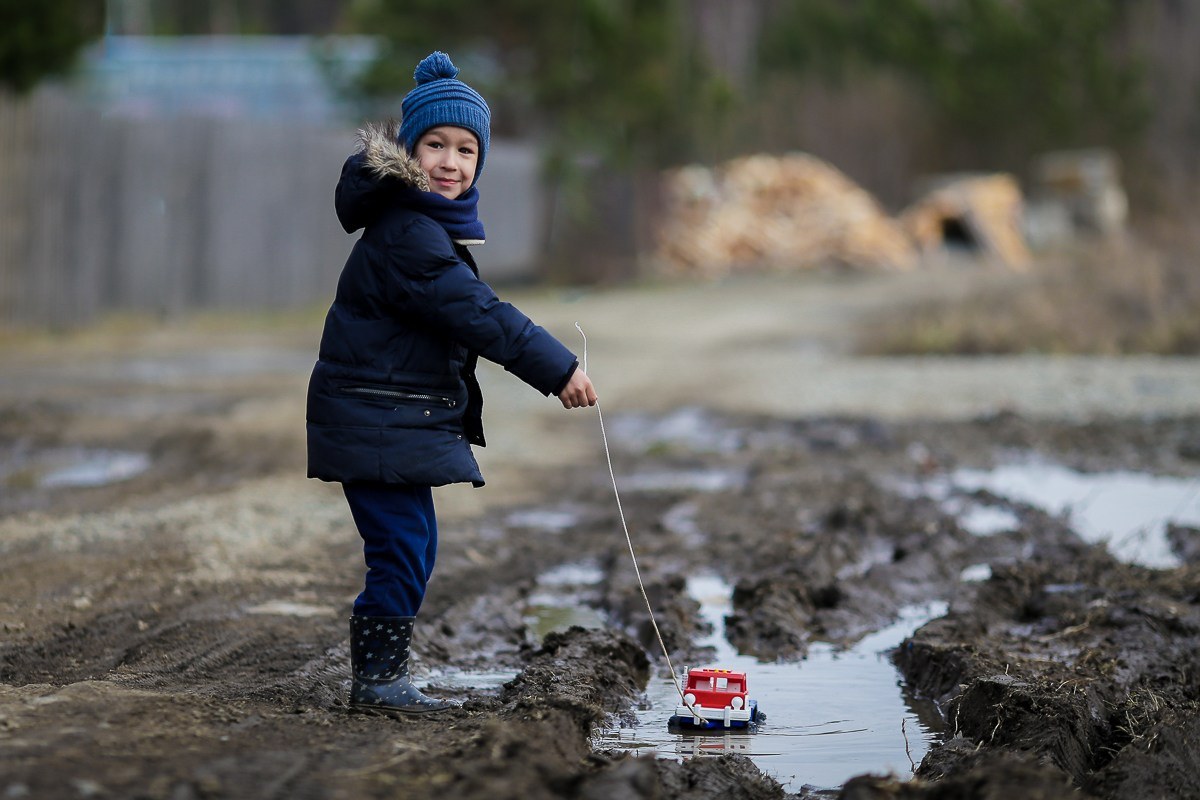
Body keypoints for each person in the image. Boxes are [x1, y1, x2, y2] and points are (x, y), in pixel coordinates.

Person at [306, 51, 597, 716]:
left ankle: (385, 674)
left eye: (467, 150)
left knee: (415, 547)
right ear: (408, 150)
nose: (451, 162)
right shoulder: (410, 235)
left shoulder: (420, 225)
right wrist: (560, 370)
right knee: (402, 551)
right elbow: (481, 317)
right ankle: (378, 683)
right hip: (373, 416)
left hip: (386, 415)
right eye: (435, 145)